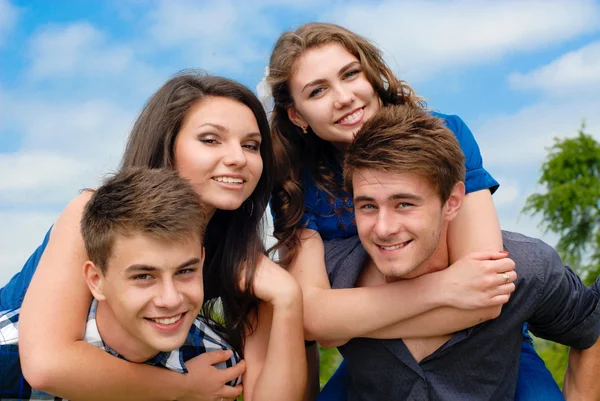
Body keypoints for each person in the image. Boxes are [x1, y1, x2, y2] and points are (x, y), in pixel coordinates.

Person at [265, 22, 561, 399]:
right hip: (375, 358)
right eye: (318, 90)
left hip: (488, 345)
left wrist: (348, 319)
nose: (343, 97)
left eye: (350, 74)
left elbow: (484, 297)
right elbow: (315, 321)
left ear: (371, 76)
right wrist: (443, 288)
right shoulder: (294, 182)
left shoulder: (445, 135)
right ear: (297, 116)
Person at [0, 72, 306, 401]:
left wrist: (288, 299)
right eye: (210, 140)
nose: (238, 158)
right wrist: (184, 388)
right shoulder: (96, 213)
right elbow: (47, 364)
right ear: (167, 144)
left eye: (251, 145)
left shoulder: (240, 254)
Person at [326, 104, 600, 400]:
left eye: (404, 204)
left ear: (453, 201)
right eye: (368, 206)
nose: (383, 228)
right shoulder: (331, 277)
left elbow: (590, 329)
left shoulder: (524, 269)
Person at [1, 168, 242, 398]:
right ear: (96, 281)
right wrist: (182, 387)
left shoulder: (215, 363)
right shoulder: (8, 355)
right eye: (143, 276)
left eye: (185, 271)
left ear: (202, 261)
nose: (171, 299)